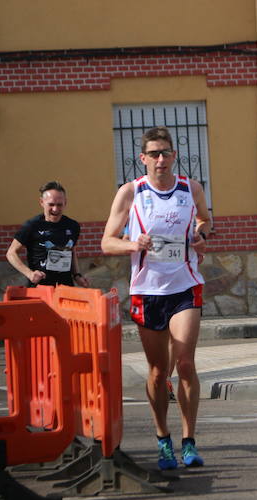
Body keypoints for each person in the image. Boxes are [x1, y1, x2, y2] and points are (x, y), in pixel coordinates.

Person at [101, 126, 210, 470]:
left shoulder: (190, 188)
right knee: (158, 370)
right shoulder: (131, 192)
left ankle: (189, 441)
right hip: (147, 290)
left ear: (174, 156)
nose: (160, 159)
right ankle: (163, 439)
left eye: (166, 152)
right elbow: (107, 242)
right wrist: (135, 244)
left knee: (186, 363)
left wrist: (200, 233)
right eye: (154, 154)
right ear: (143, 158)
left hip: (185, 284)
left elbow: (205, 220)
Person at [6, 181, 90, 288]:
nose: (55, 209)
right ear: (41, 202)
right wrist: (29, 274)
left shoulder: (73, 226)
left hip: (66, 287)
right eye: (51, 204)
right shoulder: (32, 225)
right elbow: (11, 253)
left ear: (65, 203)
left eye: (59, 204)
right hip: (40, 287)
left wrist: (77, 276)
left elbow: (71, 251)